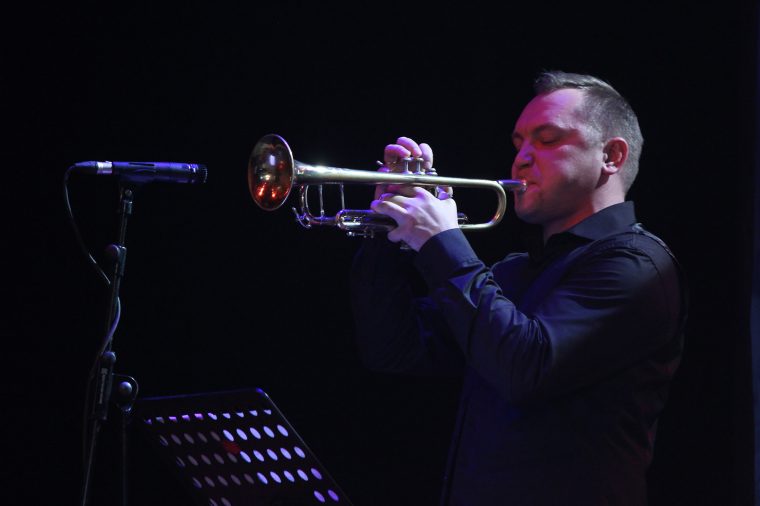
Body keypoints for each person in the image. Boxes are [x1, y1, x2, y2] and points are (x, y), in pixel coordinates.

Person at [350, 71, 687, 505]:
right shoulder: (515, 272)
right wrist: (386, 227)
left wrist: (441, 242)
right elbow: (394, 349)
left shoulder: (638, 265)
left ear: (611, 156)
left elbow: (526, 368)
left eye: (546, 140)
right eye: (518, 144)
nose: (521, 159)